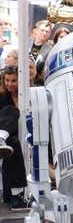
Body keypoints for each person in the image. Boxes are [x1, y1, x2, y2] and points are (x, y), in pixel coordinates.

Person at [0, 66, 29, 211]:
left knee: (10, 145)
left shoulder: (30, 95)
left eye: (13, 81)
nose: (10, 84)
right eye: (7, 80)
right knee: (11, 111)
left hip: (22, 134)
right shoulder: (2, 97)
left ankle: (12, 195)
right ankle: (16, 194)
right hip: (7, 133)